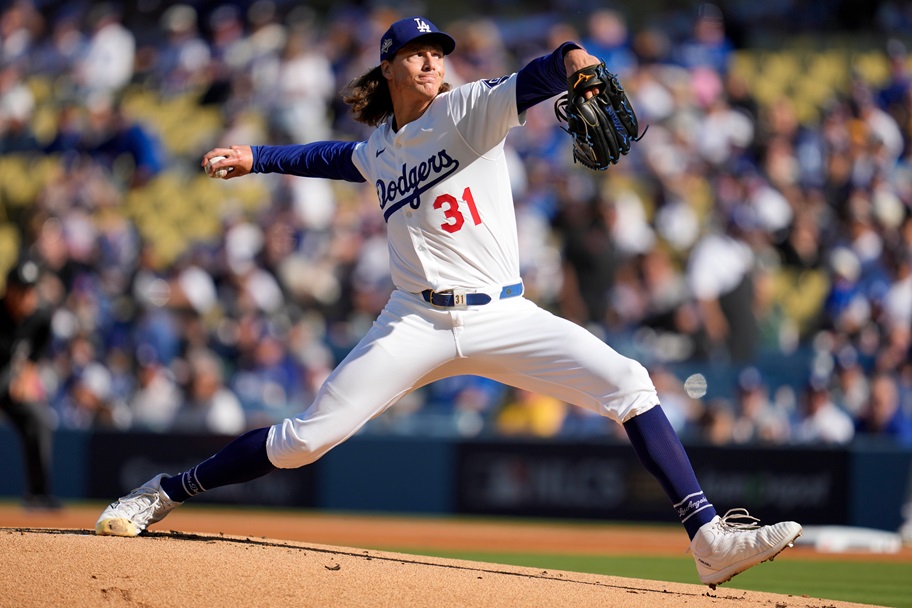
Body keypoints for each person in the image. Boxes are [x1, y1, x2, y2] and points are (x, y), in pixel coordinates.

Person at [96, 16, 801, 588]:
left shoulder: (468, 107)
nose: (433, 62)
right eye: (418, 54)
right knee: (304, 440)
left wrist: (576, 58)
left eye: (438, 52)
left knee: (630, 382)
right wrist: (258, 155)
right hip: (416, 319)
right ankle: (162, 491)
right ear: (388, 70)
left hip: (503, 314)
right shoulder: (380, 149)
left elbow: (537, 75)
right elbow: (329, 158)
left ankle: (708, 538)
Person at [0, 259, 59, 510]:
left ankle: (38, 494)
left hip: (8, 382)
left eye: (31, 290)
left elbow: (37, 348)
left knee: (39, 419)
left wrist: (27, 374)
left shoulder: (40, 316)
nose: (28, 296)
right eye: (22, 290)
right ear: (8, 290)